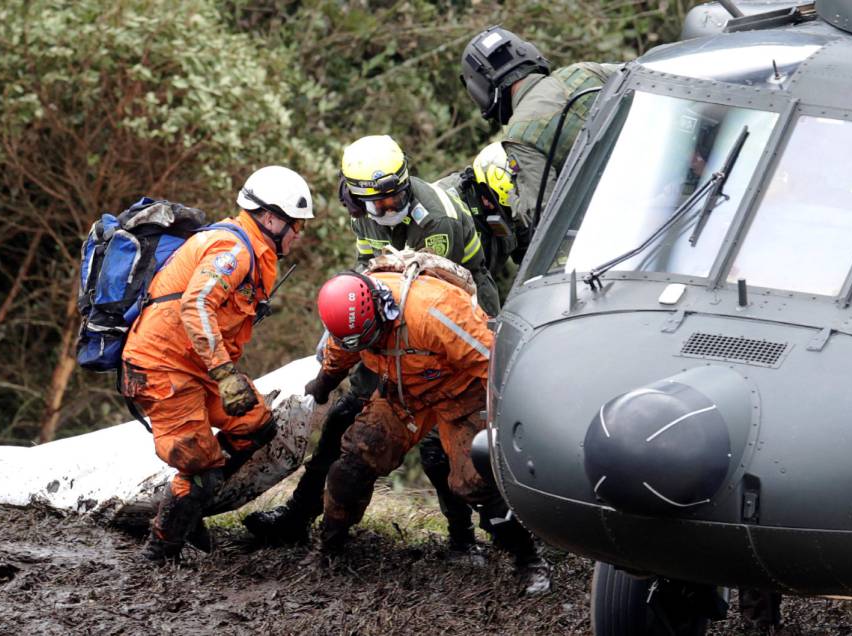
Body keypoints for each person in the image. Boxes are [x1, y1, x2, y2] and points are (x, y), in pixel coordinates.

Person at [243, 135, 502, 559]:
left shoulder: (436, 221)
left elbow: (427, 300)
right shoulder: (360, 211)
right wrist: (340, 338)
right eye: (375, 203)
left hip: (450, 314)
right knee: (346, 419)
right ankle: (299, 515)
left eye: (393, 198)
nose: (385, 209)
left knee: (441, 442)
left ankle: (464, 539)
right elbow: (374, 270)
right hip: (391, 308)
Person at [305, 267, 550, 594]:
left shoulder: (435, 312)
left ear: (381, 311)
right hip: (403, 393)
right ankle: (330, 549)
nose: (369, 345)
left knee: (474, 479)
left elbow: (496, 363)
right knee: (353, 463)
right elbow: (340, 354)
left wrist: (520, 414)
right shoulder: (350, 326)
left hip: (461, 393)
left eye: (371, 337)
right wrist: (323, 384)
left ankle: (528, 560)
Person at [120, 165, 314, 563]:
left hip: (199, 367)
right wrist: (225, 374)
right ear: (271, 218)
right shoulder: (234, 251)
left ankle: (188, 506)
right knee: (202, 473)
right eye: (296, 225)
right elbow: (196, 305)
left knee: (256, 426)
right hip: (162, 369)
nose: (299, 233)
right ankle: (160, 552)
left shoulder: (255, 251)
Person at [461, 26, 621, 237]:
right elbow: (651, 73)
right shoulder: (586, 71)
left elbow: (544, 218)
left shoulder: (520, 136)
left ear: (481, 90)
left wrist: (511, 198)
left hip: (621, 217)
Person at [435, 142, 527, 290]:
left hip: (481, 288)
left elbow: (528, 252)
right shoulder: (446, 204)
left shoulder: (513, 205)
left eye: (504, 207)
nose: (491, 205)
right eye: (490, 198)